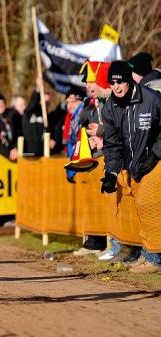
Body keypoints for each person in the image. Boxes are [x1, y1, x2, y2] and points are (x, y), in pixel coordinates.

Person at [101, 60, 161, 273]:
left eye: (120, 82)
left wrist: (155, 153)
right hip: (133, 165)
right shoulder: (110, 106)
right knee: (136, 208)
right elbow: (112, 144)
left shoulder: (152, 99)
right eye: (112, 84)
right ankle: (143, 252)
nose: (116, 87)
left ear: (129, 81)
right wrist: (110, 172)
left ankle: (154, 259)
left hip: (155, 161)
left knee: (148, 202)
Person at [72, 61, 111, 256]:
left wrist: (102, 134)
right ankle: (95, 241)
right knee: (94, 203)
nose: (87, 85)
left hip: (108, 159)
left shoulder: (109, 100)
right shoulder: (91, 103)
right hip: (95, 160)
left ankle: (109, 243)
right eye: (86, 82)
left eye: (91, 81)